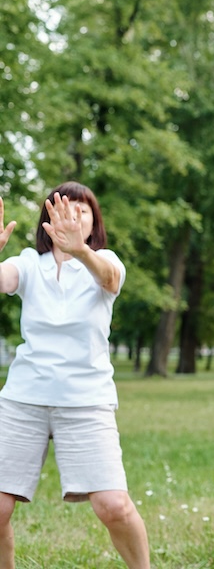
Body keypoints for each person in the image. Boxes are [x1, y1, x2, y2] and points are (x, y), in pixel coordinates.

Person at [0, 183, 150, 569]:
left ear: (93, 224)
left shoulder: (106, 260)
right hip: (23, 398)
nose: (72, 216)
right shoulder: (30, 263)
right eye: (64, 209)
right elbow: (4, 280)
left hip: (86, 400)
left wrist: (79, 251)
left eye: (82, 211)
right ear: (48, 221)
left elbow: (110, 280)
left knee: (113, 505)